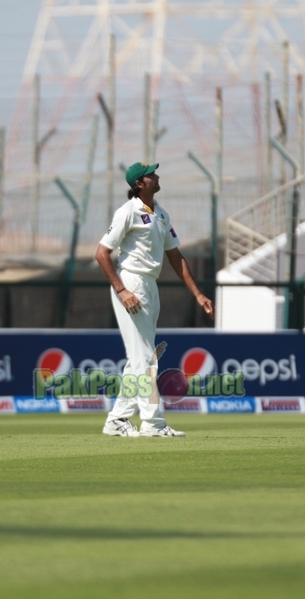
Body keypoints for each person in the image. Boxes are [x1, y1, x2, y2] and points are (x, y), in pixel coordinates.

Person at [96, 161, 214, 437]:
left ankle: (117, 420)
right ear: (139, 183)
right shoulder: (128, 212)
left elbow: (176, 256)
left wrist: (198, 294)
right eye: (151, 175)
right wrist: (122, 290)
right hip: (131, 283)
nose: (157, 176)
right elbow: (102, 253)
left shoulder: (160, 214)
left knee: (139, 358)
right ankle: (152, 423)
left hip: (150, 286)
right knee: (146, 359)